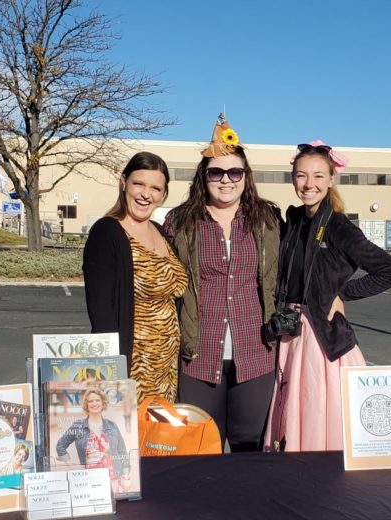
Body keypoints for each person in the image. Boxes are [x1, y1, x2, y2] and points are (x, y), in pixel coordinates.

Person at [265, 140, 391, 452]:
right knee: (292, 412)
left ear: (331, 179)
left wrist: (342, 293)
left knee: (318, 412)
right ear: (293, 179)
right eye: (301, 176)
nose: (308, 184)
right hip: (291, 333)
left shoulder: (339, 226)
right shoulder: (295, 221)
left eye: (317, 176)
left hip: (322, 340)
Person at [166, 116, 281, 453]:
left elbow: (294, 269)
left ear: (246, 177)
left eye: (235, 172)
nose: (226, 180)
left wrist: (337, 295)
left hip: (255, 352)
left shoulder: (267, 220)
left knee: (249, 448)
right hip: (198, 353)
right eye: (216, 172)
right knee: (202, 448)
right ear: (204, 177)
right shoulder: (181, 221)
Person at [83, 152, 188, 401]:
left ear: (163, 195)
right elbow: (101, 314)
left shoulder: (160, 232)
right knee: (133, 437)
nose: (145, 194)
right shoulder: (108, 231)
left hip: (166, 365)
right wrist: (113, 375)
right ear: (123, 182)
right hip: (132, 366)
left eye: (155, 188)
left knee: (161, 437)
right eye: (138, 184)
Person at [55, 387, 132, 493]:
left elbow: (122, 452)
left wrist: (126, 476)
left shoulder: (112, 426)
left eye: (97, 400)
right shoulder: (78, 426)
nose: (94, 403)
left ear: (103, 403)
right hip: (89, 481)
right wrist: (72, 465)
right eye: (91, 401)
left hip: (113, 480)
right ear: (86, 404)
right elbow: (60, 445)